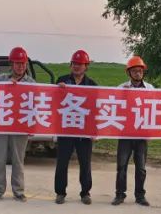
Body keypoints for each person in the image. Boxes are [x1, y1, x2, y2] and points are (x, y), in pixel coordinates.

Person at [0, 46, 35, 202]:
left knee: (18, 160)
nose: (20, 66)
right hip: (2, 125)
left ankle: (18, 190)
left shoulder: (31, 82)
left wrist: (32, 126)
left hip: (20, 127)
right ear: (11, 64)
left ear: (26, 65)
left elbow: (34, 105)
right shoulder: (2, 78)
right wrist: (9, 85)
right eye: (17, 63)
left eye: (23, 63)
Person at [55, 49, 97, 205]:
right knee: (62, 162)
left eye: (81, 64)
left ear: (86, 66)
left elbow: (95, 110)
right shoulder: (62, 81)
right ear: (70, 65)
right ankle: (60, 192)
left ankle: (85, 192)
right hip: (65, 129)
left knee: (85, 163)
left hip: (84, 131)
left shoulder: (92, 85)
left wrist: (94, 130)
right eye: (74, 64)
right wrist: (57, 91)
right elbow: (52, 103)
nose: (77, 67)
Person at [113, 56, 153, 207]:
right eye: (135, 71)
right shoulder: (121, 88)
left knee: (141, 168)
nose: (138, 73)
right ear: (128, 73)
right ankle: (119, 194)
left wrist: (150, 132)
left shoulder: (149, 88)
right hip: (125, 134)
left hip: (141, 134)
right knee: (121, 166)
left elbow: (154, 111)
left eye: (140, 71)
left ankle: (140, 195)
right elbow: (114, 108)